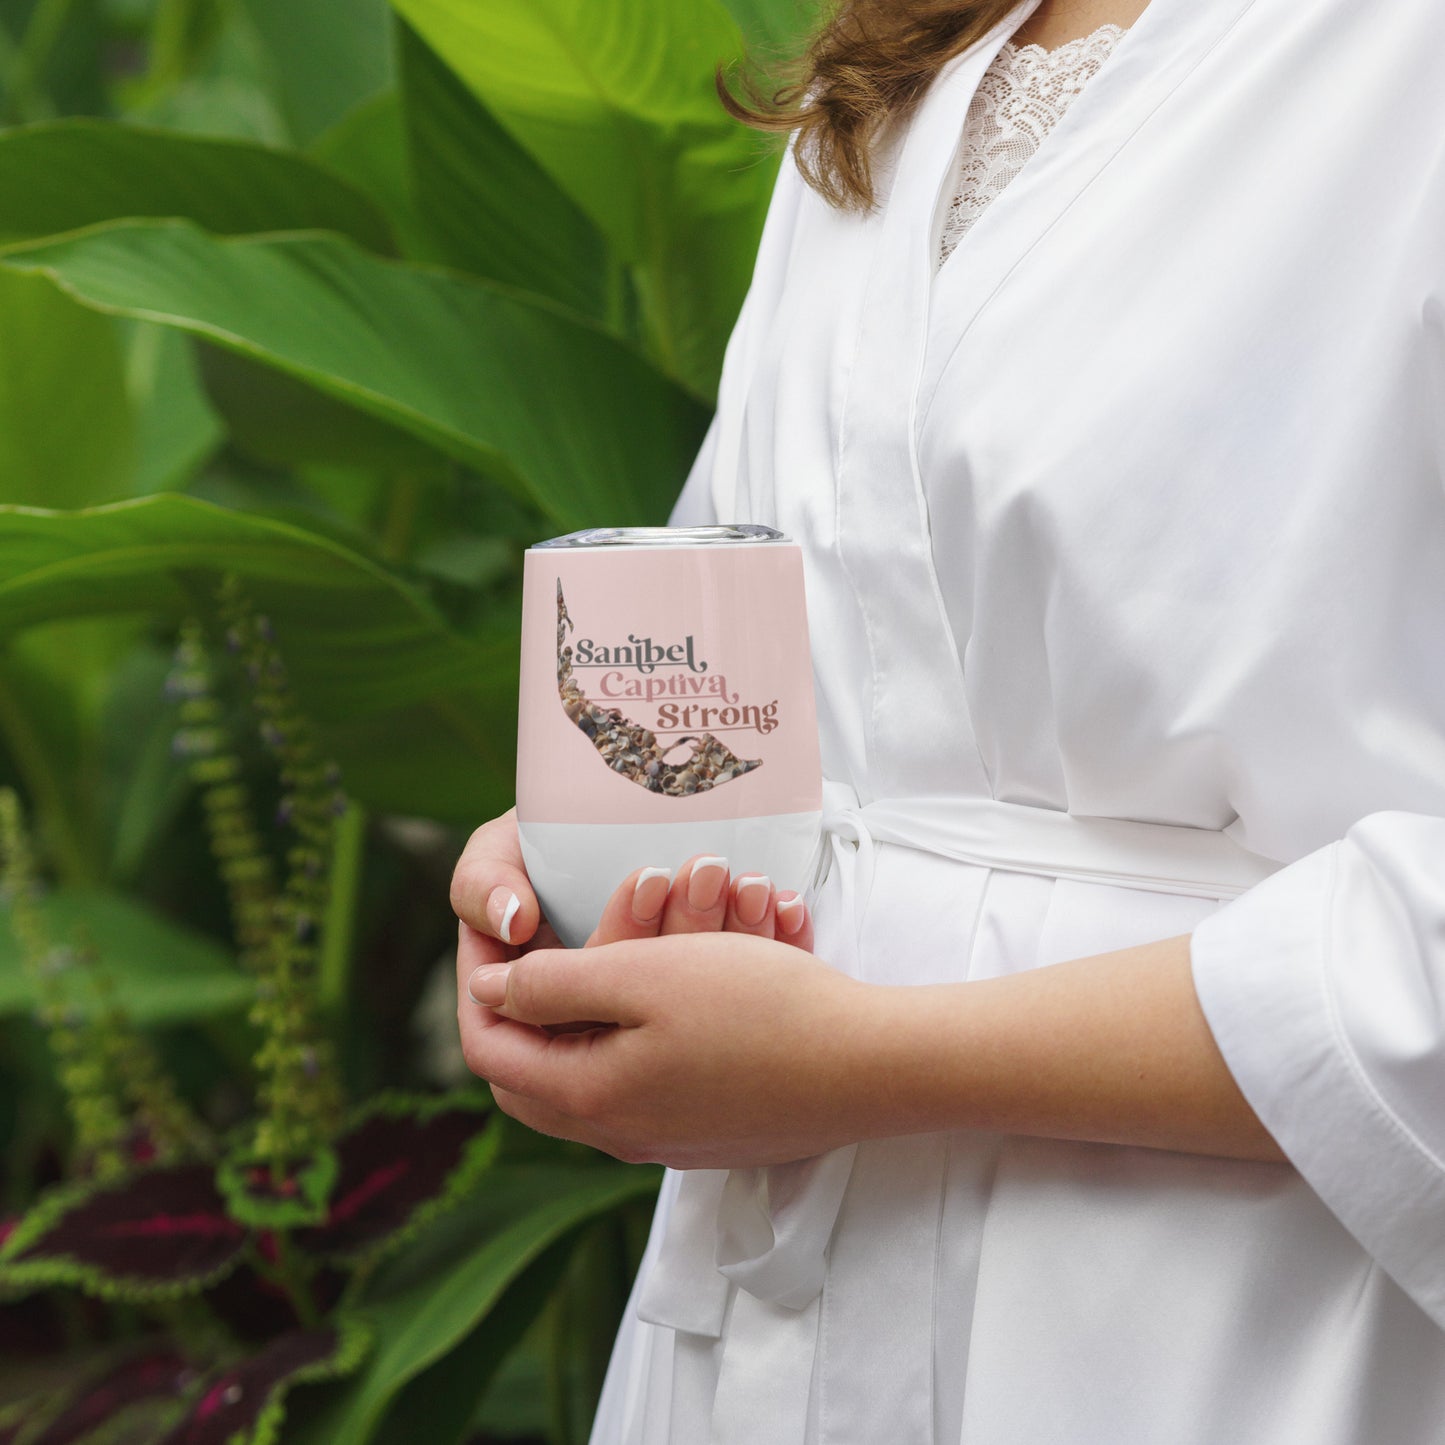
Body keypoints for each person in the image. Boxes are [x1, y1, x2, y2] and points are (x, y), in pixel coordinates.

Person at [451, 0, 1445, 1439]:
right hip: (778, 1311)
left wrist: (864, 1058)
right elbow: (781, 652)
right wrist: (592, 857)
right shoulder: (902, 56)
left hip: (1235, 1316)